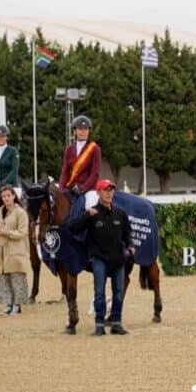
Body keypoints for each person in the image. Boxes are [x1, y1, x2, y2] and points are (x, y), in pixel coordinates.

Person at [69, 179, 134, 336]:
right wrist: (86, 216)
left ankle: (116, 323)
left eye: (111, 190)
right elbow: (73, 228)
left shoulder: (120, 213)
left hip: (118, 258)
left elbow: (127, 233)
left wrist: (131, 245)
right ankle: (99, 325)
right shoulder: (92, 213)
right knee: (99, 293)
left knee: (118, 292)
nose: (109, 193)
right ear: (98, 193)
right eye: (105, 190)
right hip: (99, 259)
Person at [0, 184, 31, 315]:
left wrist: (6, 232)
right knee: (3, 279)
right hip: (0, 252)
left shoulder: (21, 213)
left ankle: (17, 305)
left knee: (17, 278)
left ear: (14, 196)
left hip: (15, 251)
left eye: (8, 195)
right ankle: (8, 304)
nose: (6, 198)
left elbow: (22, 232)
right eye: (4, 196)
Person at [60, 115, 101, 196]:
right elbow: (65, 171)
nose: (83, 132)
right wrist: (61, 188)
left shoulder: (95, 149)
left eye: (86, 129)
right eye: (80, 129)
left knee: (91, 202)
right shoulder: (69, 150)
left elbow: (95, 174)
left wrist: (82, 188)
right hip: (70, 188)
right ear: (74, 131)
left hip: (88, 190)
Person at [0, 123, 21, 193]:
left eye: (3, 136)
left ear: (6, 137)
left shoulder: (13, 151)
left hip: (11, 186)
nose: (0, 138)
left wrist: (4, 183)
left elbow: (14, 171)